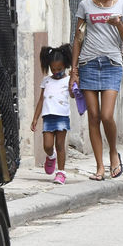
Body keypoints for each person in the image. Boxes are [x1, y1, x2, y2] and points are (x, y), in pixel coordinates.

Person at [70, 0, 123, 180]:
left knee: (107, 115)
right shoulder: (85, 5)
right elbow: (78, 39)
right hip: (88, 64)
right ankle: (99, 167)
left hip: (112, 64)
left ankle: (113, 153)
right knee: (93, 117)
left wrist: (118, 24)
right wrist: (73, 71)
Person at [31, 43, 73, 185]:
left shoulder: (68, 80)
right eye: (53, 69)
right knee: (47, 145)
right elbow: (41, 100)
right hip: (48, 117)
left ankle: (61, 173)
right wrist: (35, 118)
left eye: (59, 69)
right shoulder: (46, 81)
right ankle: (51, 156)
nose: (56, 72)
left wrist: (74, 83)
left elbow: (73, 95)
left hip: (62, 117)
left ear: (65, 65)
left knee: (60, 145)